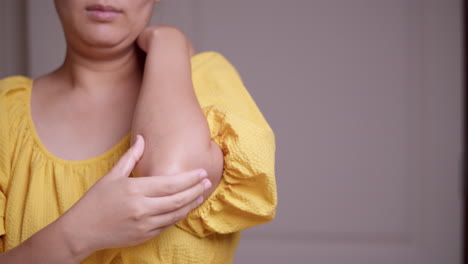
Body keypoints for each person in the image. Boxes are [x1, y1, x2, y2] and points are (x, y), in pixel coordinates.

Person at [0, 0, 277, 263]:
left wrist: (168, 43)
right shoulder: (5, 109)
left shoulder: (206, 80)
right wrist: (77, 234)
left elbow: (170, 176)